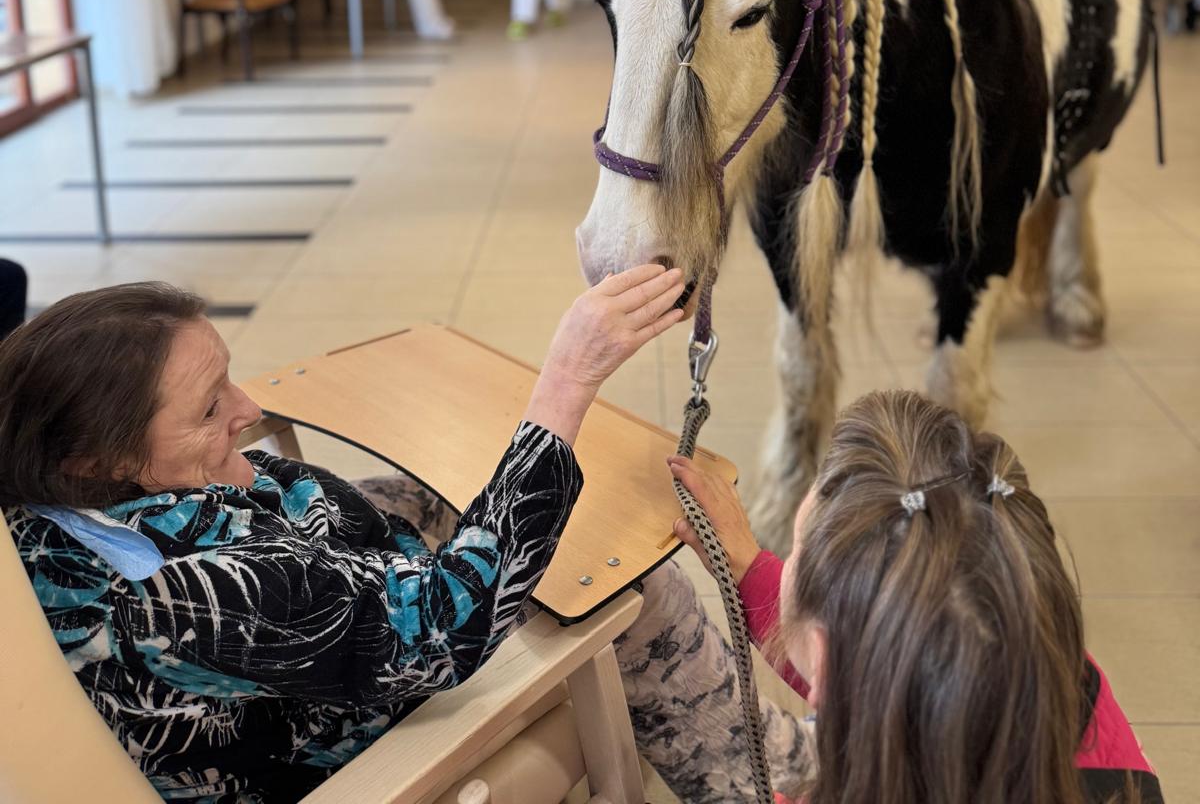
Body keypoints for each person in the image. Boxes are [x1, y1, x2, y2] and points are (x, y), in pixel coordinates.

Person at [1, 279, 811, 803]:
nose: (246, 409)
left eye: (227, 379)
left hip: (317, 637)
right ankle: (775, 777)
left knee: (453, 496)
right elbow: (441, 625)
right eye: (210, 408)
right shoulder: (186, 601)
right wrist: (566, 383)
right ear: (98, 462)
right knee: (630, 586)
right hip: (360, 734)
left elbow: (313, 549)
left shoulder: (57, 507)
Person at [671, 389, 1164, 804]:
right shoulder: (1041, 659)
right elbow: (894, 648)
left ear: (827, 664)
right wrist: (747, 566)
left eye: (796, 549)